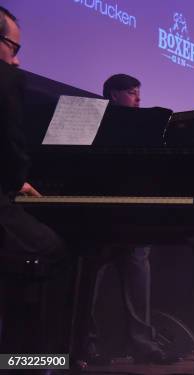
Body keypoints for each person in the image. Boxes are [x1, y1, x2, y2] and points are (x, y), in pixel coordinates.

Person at [75, 73, 176, 365]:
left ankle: (143, 346)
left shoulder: (145, 127)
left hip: (132, 212)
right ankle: (83, 344)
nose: (139, 99)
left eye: (138, 93)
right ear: (113, 94)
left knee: (138, 269)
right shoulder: (92, 121)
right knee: (89, 275)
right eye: (132, 93)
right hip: (97, 213)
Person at [0, 5, 67, 353]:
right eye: (14, 48)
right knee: (53, 248)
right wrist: (17, 178)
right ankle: (26, 358)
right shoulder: (6, 77)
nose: (17, 60)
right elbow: (10, 143)